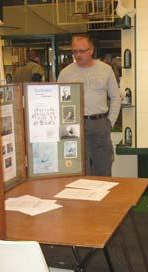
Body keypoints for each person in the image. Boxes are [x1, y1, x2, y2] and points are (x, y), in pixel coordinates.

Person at [58, 34, 120, 176]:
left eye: (82, 51)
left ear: (91, 50)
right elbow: (59, 102)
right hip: (74, 126)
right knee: (77, 169)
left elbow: (116, 97)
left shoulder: (105, 69)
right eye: (74, 51)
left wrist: (109, 122)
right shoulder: (65, 73)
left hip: (100, 124)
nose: (77, 55)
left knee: (103, 168)